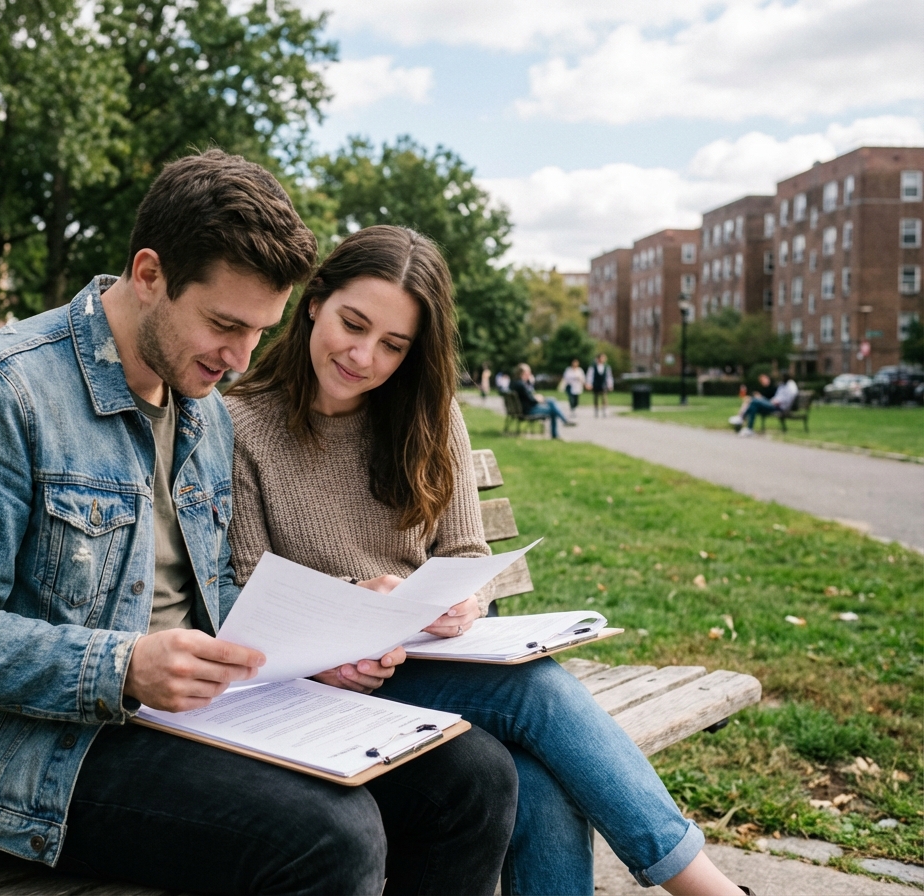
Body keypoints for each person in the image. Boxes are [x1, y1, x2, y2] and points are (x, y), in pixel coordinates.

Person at [0, 152, 516, 896]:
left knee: (472, 777)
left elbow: (216, 586)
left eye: (261, 331)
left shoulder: (204, 410)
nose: (241, 356)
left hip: (205, 714)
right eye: (224, 324)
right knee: (332, 838)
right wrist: (124, 666)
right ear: (150, 273)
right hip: (41, 748)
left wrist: (323, 650)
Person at [224, 225, 748, 896]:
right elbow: (240, 585)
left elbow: (468, 552)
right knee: (533, 693)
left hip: (429, 661)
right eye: (353, 324)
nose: (363, 356)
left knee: (534, 775)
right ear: (313, 302)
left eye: (393, 345)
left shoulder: (426, 412)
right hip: (320, 683)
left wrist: (464, 601)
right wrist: (356, 597)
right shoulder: (240, 424)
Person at [510, 362, 573, 439]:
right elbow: (531, 400)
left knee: (551, 400)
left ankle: (564, 421)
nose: (530, 374)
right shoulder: (521, 384)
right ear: (523, 373)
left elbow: (526, 396)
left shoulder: (515, 383)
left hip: (524, 408)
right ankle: (556, 433)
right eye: (528, 372)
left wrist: (535, 395)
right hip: (528, 410)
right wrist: (538, 399)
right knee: (553, 410)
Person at [740, 372, 799, 436]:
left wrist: (778, 401)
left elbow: (789, 397)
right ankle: (749, 428)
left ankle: (743, 418)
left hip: (779, 406)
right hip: (774, 403)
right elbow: (778, 395)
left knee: (754, 401)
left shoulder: (790, 386)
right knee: (754, 405)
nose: (781, 378)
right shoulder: (783, 385)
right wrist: (774, 399)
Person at [588, 352, 614, 417]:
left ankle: (604, 410)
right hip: (596, 383)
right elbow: (590, 375)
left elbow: (609, 376)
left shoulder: (607, 367)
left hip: (603, 383)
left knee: (604, 397)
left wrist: (610, 384)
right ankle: (596, 410)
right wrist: (589, 383)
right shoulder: (593, 366)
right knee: (595, 397)